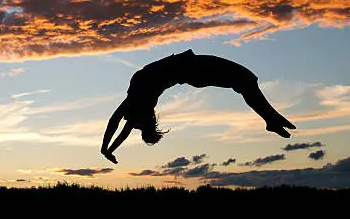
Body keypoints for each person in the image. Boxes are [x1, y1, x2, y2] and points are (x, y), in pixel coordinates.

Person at [100, 49, 296, 164]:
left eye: (136, 128)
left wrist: (106, 149)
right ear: (146, 121)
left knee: (245, 79)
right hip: (193, 69)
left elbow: (114, 122)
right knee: (244, 78)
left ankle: (271, 119)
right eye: (138, 127)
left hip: (192, 67)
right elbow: (120, 127)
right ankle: (271, 119)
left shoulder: (133, 102)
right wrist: (108, 149)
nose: (132, 125)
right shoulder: (140, 105)